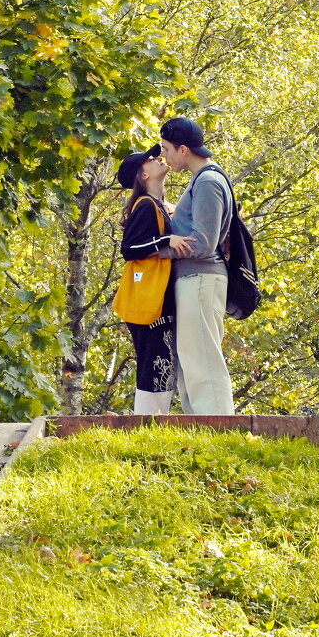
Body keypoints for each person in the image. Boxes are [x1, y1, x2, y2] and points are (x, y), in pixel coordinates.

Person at [159, 117, 236, 415]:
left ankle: (219, 428)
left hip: (202, 277)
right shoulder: (201, 180)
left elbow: (203, 242)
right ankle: (199, 428)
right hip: (193, 279)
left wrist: (160, 250)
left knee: (203, 358)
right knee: (191, 358)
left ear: (182, 149)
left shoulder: (207, 181)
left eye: (166, 149)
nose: (164, 156)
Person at [116, 144, 194, 414]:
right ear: (143, 175)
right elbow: (129, 249)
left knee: (162, 362)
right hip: (150, 300)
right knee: (156, 362)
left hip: (155, 299)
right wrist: (166, 239)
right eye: (150, 159)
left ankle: (151, 420)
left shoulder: (157, 205)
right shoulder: (147, 206)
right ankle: (147, 421)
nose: (158, 158)